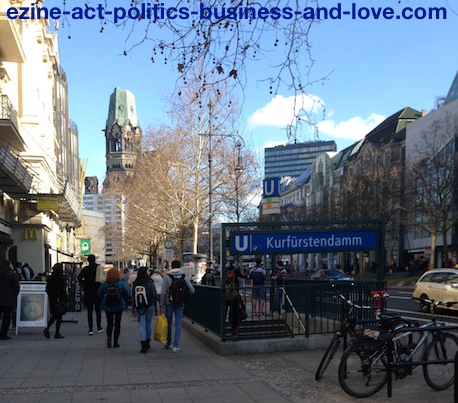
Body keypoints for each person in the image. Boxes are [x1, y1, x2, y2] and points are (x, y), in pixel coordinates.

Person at [160, 260, 195, 353]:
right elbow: (192, 290)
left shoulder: (167, 276)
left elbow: (163, 292)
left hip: (169, 302)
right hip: (180, 302)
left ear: (171, 266)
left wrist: (161, 304)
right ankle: (176, 345)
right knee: (178, 323)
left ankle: (169, 342)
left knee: (169, 322)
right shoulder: (184, 276)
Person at [98, 268, 130, 348]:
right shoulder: (121, 284)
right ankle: (116, 342)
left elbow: (99, 294)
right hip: (119, 306)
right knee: (117, 324)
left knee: (109, 323)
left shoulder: (105, 284)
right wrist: (125, 301)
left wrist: (101, 301)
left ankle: (109, 339)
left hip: (108, 306)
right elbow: (127, 293)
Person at [132, 267, 158, 353]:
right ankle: (147, 341)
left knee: (141, 325)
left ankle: (143, 345)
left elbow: (132, 296)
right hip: (150, 305)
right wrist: (158, 300)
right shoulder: (149, 281)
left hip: (139, 306)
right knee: (148, 324)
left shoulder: (135, 283)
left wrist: (133, 308)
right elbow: (153, 293)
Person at [77, 254, 103, 335]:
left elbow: (79, 277)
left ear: (88, 260)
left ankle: (90, 329)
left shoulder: (85, 269)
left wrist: (83, 283)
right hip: (97, 290)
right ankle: (99, 326)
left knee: (90, 310)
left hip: (88, 291)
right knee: (98, 310)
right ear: (94, 260)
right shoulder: (98, 268)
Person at [44, 263, 68, 339]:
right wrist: (65, 298)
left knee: (54, 315)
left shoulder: (50, 278)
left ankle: (48, 328)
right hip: (59, 299)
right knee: (58, 316)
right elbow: (62, 289)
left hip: (52, 299)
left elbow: (47, 289)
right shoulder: (61, 278)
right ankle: (56, 332)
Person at [0, 260, 19, 340]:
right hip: (8, 299)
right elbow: (16, 288)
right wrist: (14, 296)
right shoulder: (12, 275)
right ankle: (3, 334)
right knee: (7, 317)